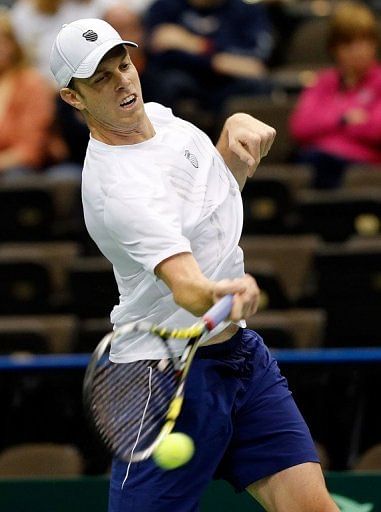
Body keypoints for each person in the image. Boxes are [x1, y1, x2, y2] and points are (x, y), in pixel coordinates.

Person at [50, 18, 339, 512]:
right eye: (100, 78)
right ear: (73, 98)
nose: (122, 80)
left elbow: (208, 209)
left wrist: (231, 142)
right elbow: (186, 286)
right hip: (165, 380)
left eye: (123, 64)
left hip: (240, 359)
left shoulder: (159, 117)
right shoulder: (121, 190)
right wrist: (224, 293)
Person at [141, 0, 275, 133]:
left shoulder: (247, 10)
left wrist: (195, 45)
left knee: (259, 86)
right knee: (165, 82)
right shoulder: (165, 7)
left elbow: (255, 64)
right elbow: (159, 53)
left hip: (227, 85)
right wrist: (220, 59)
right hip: (183, 81)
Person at [289, 1, 381, 189]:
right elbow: (300, 127)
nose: (357, 51)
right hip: (317, 160)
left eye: (364, 41)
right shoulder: (323, 82)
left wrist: (327, 125)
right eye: (348, 44)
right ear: (334, 48)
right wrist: (343, 119)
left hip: (364, 167)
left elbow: (377, 129)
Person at [0, 8, 65, 179]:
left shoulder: (31, 83)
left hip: (25, 169)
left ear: (13, 44)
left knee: (16, 176)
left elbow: (31, 149)